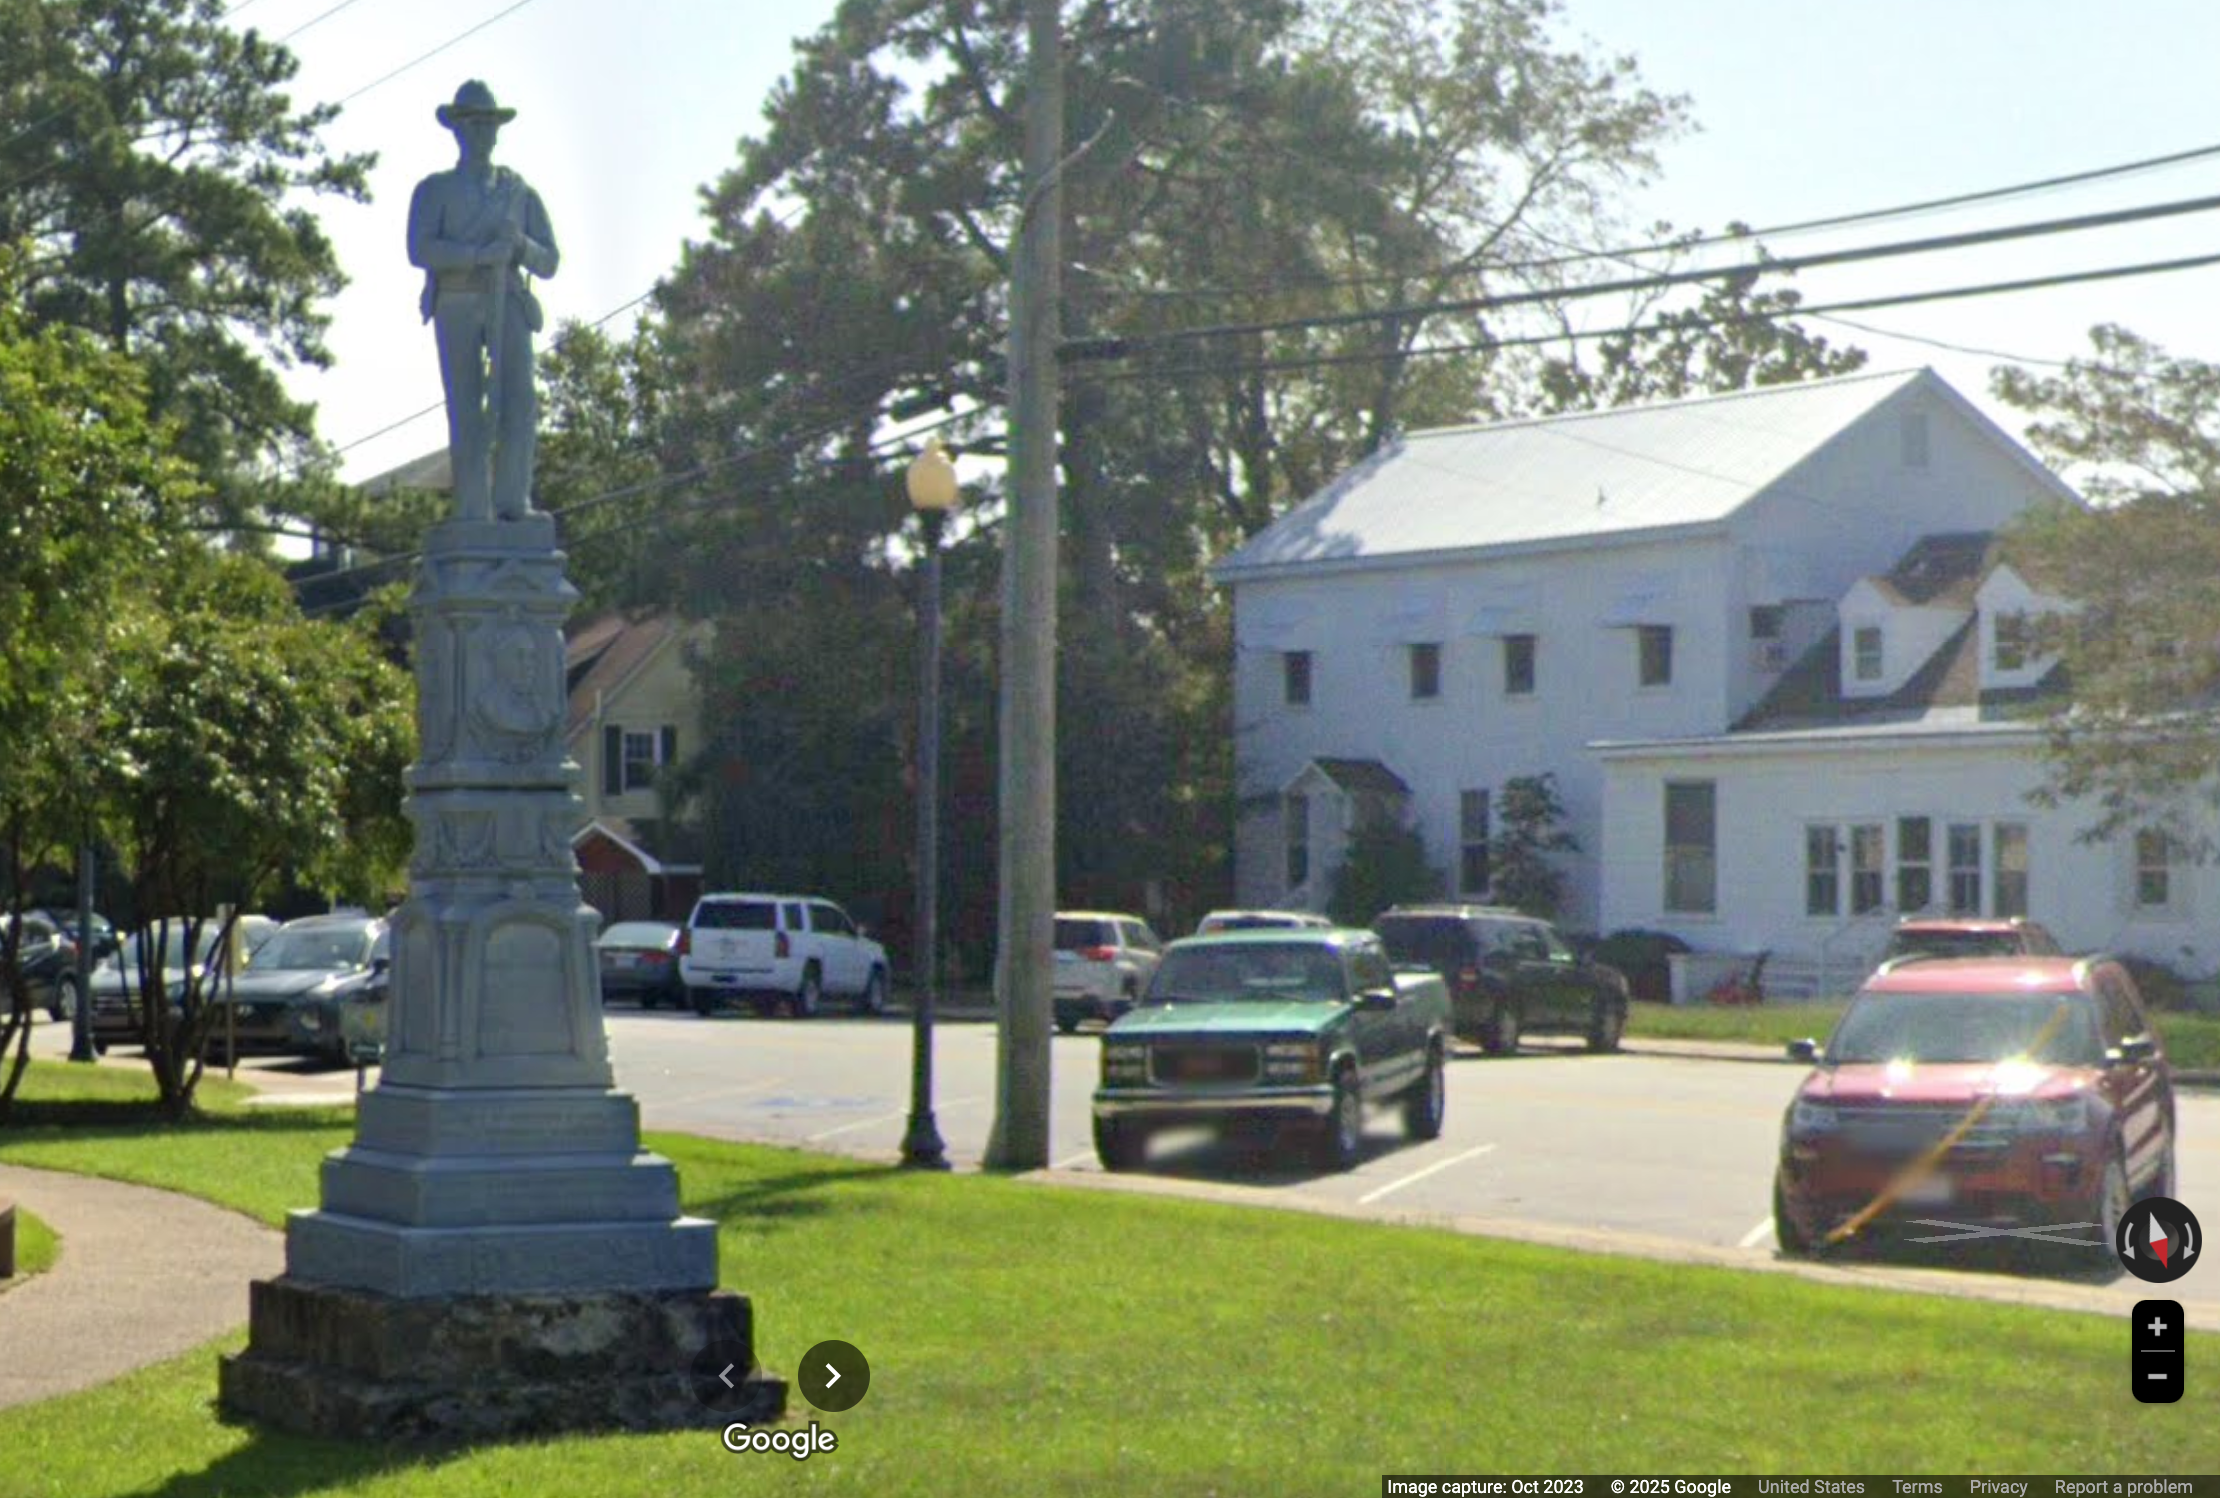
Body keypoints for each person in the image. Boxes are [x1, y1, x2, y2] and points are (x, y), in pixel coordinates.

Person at [407, 81, 559, 522]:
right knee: (467, 408)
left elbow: (549, 260)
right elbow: (421, 249)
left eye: (488, 124)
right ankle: (473, 508)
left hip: (506, 299)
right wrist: (476, 256)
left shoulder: (517, 191)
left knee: (519, 403)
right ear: (457, 129)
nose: (482, 133)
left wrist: (520, 248)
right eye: (473, 124)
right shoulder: (434, 190)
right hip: (456, 302)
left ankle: (514, 502)